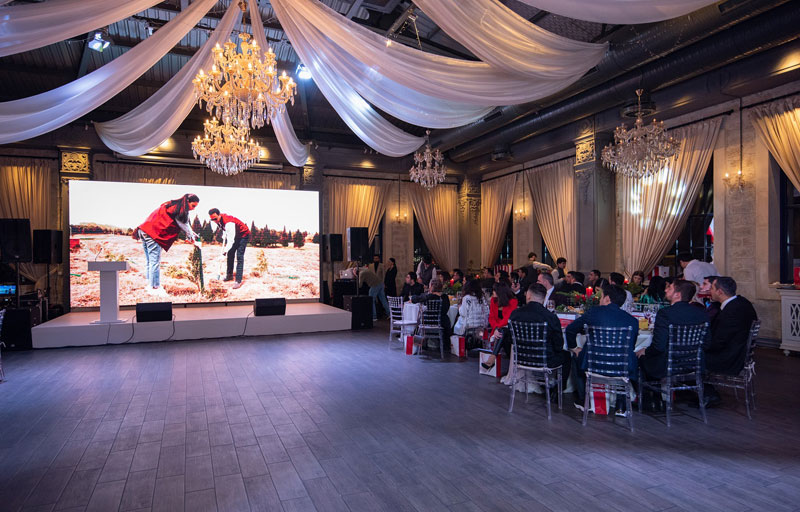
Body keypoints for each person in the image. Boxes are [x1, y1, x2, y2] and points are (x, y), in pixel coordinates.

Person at [565, 284, 639, 411]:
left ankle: (585, 400)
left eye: (601, 297)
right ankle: (621, 406)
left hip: (594, 364)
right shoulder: (632, 321)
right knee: (625, 358)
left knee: (577, 356)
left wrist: (574, 348)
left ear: (607, 298)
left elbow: (570, 330)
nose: (599, 300)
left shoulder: (594, 312)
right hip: (620, 367)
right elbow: (631, 346)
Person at [636, 280, 711, 398]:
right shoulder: (702, 313)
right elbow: (706, 343)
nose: (665, 290)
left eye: (669, 288)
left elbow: (659, 347)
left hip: (668, 365)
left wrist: (645, 351)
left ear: (677, 295)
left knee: (638, 357)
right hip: (694, 364)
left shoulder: (665, 313)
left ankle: (651, 398)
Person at [506, 283, 572, 390]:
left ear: (528, 296)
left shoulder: (515, 314)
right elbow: (559, 345)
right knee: (566, 355)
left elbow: (511, 339)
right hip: (545, 360)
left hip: (521, 358)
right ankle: (557, 390)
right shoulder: (550, 317)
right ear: (544, 298)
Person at [135, 193, 200, 297]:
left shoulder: (172, 205)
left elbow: (186, 225)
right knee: (155, 262)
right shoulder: (180, 210)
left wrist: (192, 234)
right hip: (153, 233)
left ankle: (149, 284)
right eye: (193, 206)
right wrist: (192, 240)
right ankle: (155, 288)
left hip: (144, 230)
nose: (193, 209)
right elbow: (184, 225)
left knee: (150, 261)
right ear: (187, 202)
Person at [705, 276, 758, 376]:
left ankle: (696, 384)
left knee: (688, 357)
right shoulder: (743, 302)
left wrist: (699, 345)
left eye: (711, 288)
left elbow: (719, 341)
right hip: (737, 353)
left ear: (720, 292)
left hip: (729, 359)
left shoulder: (731, 312)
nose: (709, 291)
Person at [208, 208, 250, 289]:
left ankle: (238, 280)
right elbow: (224, 228)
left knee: (239, 256)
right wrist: (224, 234)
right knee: (230, 254)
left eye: (215, 219)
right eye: (212, 219)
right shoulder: (219, 220)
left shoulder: (229, 223)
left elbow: (231, 241)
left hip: (243, 235)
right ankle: (229, 276)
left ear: (219, 215)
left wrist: (224, 253)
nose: (214, 221)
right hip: (235, 235)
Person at [481, 282, 519, 369]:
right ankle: (492, 358)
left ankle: (492, 359)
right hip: (498, 330)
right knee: (501, 332)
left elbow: (507, 319)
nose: (493, 292)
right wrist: (496, 329)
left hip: (510, 329)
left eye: (494, 290)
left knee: (502, 332)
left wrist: (497, 328)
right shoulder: (493, 301)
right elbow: (491, 317)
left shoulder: (513, 302)